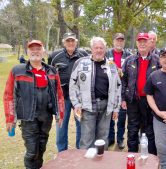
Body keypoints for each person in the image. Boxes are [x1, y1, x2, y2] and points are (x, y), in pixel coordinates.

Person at [3, 40, 64, 169]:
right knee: (32, 152)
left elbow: (59, 94)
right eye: (32, 49)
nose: (35, 51)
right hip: (28, 117)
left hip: (46, 117)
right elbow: (9, 95)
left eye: (38, 49)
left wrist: (60, 114)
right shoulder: (17, 70)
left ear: (44, 52)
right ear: (27, 52)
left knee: (41, 149)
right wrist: (10, 118)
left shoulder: (52, 71)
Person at [69, 37, 121, 149]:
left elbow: (118, 87)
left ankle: (101, 163)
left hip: (106, 107)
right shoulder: (81, 63)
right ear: (91, 49)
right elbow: (73, 85)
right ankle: (86, 164)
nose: (98, 50)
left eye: (101, 48)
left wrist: (116, 108)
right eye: (96, 47)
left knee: (102, 139)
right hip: (87, 107)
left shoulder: (112, 65)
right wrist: (76, 104)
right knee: (87, 139)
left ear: (105, 49)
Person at [48, 32, 89, 152]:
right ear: (64, 42)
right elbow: (49, 77)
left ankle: (80, 151)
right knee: (61, 126)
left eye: (72, 41)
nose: (70, 43)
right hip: (62, 98)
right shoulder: (55, 56)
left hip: (79, 98)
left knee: (81, 125)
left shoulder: (84, 55)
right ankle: (62, 152)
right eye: (68, 41)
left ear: (76, 42)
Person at [122, 32, 159, 155]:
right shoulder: (129, 60)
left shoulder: (157, 61)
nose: (142, 44)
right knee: (132, 129)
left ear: (150, 43)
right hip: (133, 100)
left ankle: (150, 157)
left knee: (149, 130)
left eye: (145, 41)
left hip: (150, 101)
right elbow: (123, 81)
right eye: (140, 41)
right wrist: (123, 98)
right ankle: (132, 155)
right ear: (137, 43)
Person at [106, 33, 131, 149]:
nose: (119, 42)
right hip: (109, 89)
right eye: (117, 40)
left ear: (124, 42)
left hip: (123, 90)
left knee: (121, 116)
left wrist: (122, 71)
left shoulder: (129, 55)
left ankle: (120, 139)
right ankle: (110, 137)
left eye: (121, 40)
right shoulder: (107, 54)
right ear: (113, 41)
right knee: (110, 114)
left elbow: (131, 73)